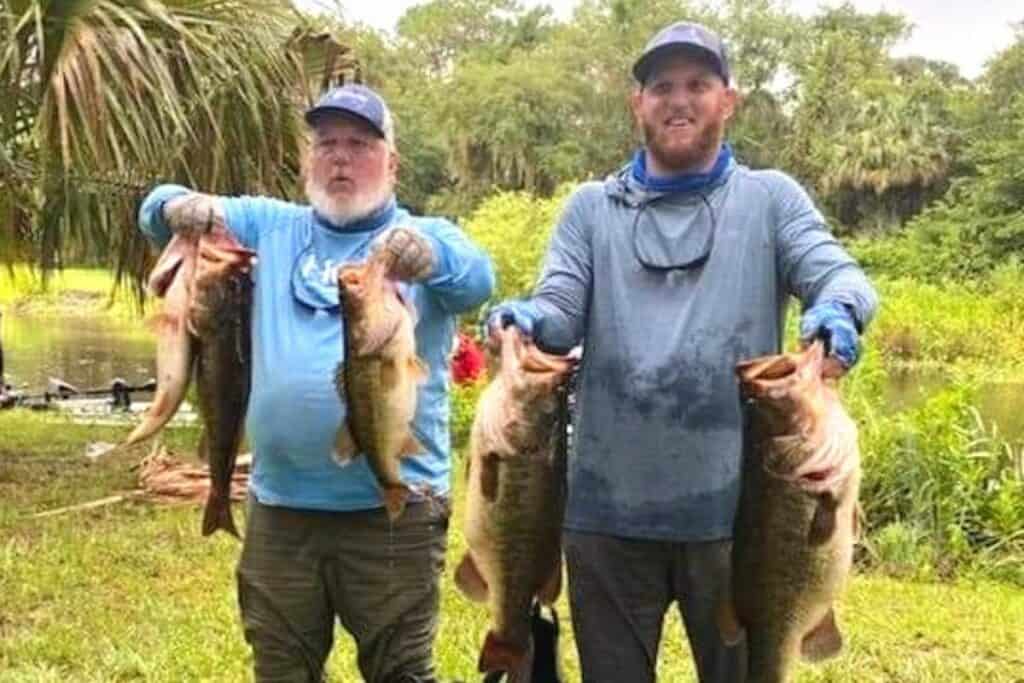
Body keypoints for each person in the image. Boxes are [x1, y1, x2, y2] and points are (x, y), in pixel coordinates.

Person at [486, 21, 879, 683]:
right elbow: (558, 306)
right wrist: (527, 319)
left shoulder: (771, 200)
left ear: (730, 99)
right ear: (636, 102)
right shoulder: (590, 210)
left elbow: (839, 274)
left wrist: (837, 311)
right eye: (661, 85)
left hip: (739, 521)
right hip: (604, 517)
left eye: (698, 84)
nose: (679, 99)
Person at [138, 84, 494, 683]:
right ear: (307, 159)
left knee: (401, 671)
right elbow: (157, 211)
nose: (340, 158)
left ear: (392, 163)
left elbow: (476, 279)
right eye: (326, 143)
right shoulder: (267, 226)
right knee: (280, 667)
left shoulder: (424, 235)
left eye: (359, 144)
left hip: (393, 517)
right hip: (281, 510)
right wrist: (175, 206)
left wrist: (427, 255)